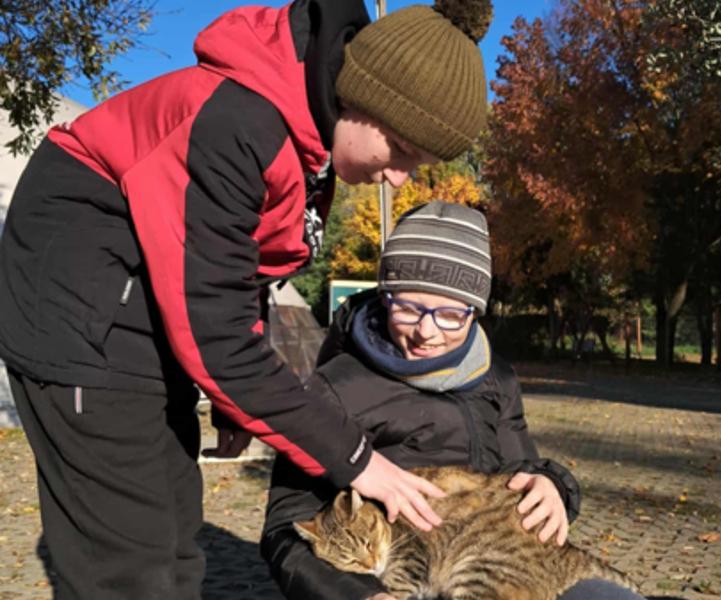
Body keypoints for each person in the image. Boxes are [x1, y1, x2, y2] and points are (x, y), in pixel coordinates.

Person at [0, 1, 494, 597]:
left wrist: (234, 405)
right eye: (402, 151)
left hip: (150, 323)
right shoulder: (237, 124)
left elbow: (239, 272)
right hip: (85, 322)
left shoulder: (310, 144)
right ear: (366, 100)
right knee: (127, 568)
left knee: (176, 541)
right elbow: (217, 335)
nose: (398, 178)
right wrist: (359, 461)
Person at [262, 201, 648, 600]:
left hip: (503, 562)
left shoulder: (496, 375)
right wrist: (360, 595)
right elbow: (285, 526)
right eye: (407, 308)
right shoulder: (334, 386)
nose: (426, 332)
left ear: (475, 312)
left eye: (450, 315)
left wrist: (552, 484)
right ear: (385, 296)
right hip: (386, 574)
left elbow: (518, 465)